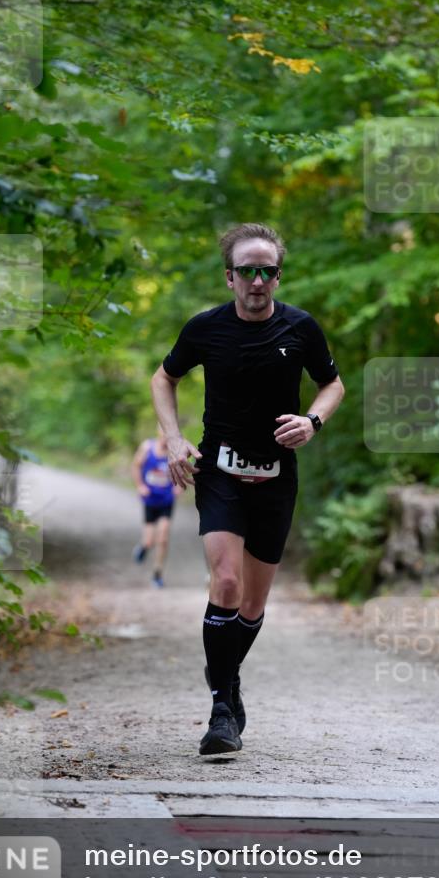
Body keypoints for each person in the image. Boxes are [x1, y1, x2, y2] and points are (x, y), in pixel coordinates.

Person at [151, 223, 345, 755]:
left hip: (277, 479)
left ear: (277, 277)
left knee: (254, 606)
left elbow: (333, 384)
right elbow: (163, 378)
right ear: (230, 277)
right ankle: (222, 707)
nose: (257, 281)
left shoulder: (301, 329)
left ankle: (226, 678)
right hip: (219, 475)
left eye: (267, 272)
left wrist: (313, 421)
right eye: (246, 272)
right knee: (227, 584)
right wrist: (172, 438)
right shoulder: (206, 328)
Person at [131, 427, 180, 588]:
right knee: (149, 540)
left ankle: (157, 574)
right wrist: (139, 486)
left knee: (163, 536)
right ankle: (144, 547)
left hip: (166, 500)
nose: (166, 436)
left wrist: (179, 486)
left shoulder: (176, 450)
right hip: (150, 500)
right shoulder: (147, 447)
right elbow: (136, 466)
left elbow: (183, 471)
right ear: (159, 431)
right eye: (163, 431)